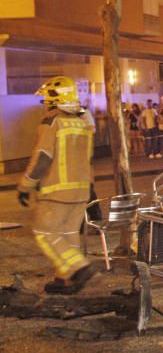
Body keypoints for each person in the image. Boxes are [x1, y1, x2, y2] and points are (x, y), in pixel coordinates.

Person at [17, 76, 98, 294]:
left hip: (56, 190)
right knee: (69, 232)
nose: (45, 106)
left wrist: (26, 185)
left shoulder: (51, 122)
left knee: (46, 233)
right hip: (81, 189)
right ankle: (65, 279)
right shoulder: (82, 122)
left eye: (46, 101)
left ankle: (79, 267)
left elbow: (42, 156)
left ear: (54, 101)